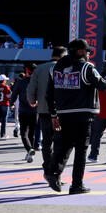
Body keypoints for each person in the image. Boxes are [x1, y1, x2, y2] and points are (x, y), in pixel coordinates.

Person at [45, 40, 106, 194]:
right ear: (80, 51)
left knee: (65, 145)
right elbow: (103, 85)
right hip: (83, 114)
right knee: (81, 149)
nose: (89, 54)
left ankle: (53, 172)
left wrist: (53, 113)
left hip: (63, 113)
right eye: (87, 51)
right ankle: (77, 184)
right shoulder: (86, 67)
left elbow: (50, 92)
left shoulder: (57, 67)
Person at [27, 46, 65, 176]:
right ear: (63, 56)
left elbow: (31, 88)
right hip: (62, 111)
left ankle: (47, 167)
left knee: (47, 141)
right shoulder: (65, 68)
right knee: (60, 141)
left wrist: (32, 101)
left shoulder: (39, 68)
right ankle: (56, 170)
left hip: (43, 109)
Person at [11, 65, 39, 163]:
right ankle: (30, 153)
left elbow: (14, 94)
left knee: (24, 133)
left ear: (26, 72)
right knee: (32, 133)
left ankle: (29, 149)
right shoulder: (37, 82)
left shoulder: (20, 82)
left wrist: (11, 103)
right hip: (35, 111)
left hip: (23, 111)